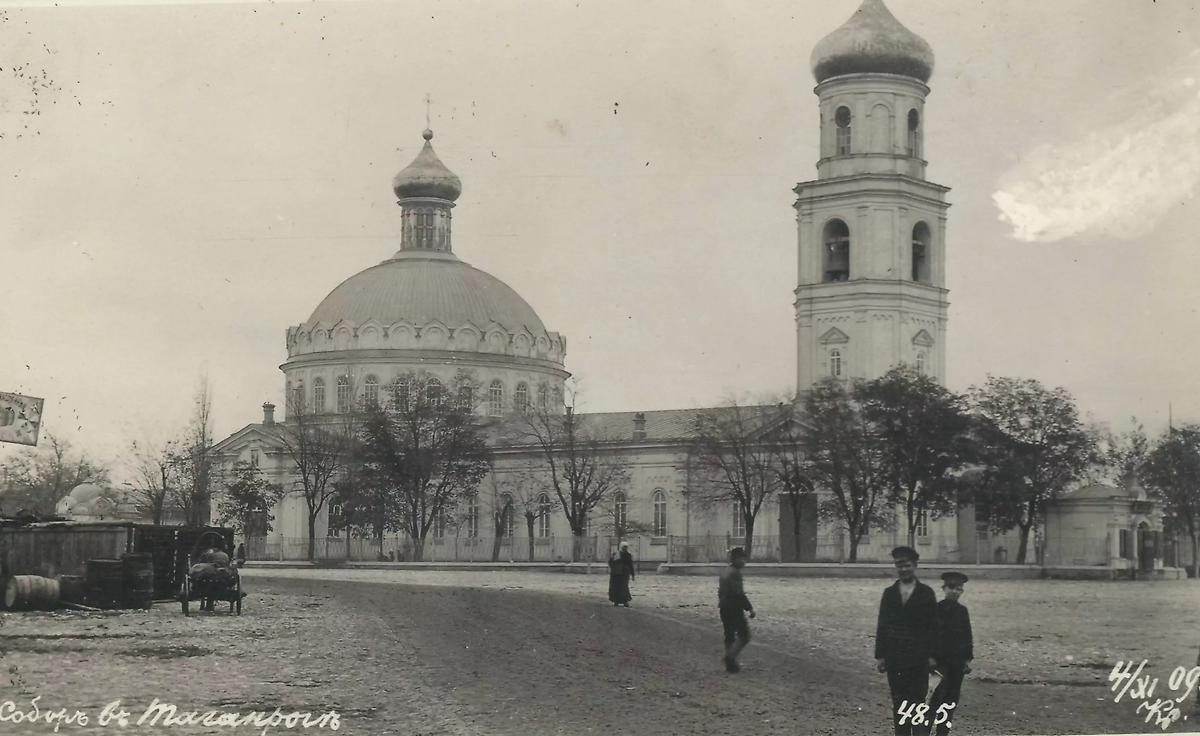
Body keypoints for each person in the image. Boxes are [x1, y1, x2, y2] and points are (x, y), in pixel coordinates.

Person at [875, 546, 938, 736]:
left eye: (907, 565)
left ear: (915, 566)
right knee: (900, 702)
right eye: (899, 565)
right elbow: (883, 625)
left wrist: (933, 655)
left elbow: (934, 627)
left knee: (918, 701)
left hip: (918, 659)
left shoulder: (926, 593)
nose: (903, 569)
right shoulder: (889, 593)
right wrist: (881, 655)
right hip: (895, 659)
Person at [930, 571, 973, 736]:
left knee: (951, 700)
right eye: (952, 587)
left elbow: (967, 636)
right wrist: (931, 657)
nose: (955, 591)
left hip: (957, 663)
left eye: (959, 588)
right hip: (939, 662)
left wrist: (967, 660)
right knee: (935, 698)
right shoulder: (936, 609)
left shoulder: (963, 611)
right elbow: (930, 635)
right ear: (944, 588)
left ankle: (943, 733)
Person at [718, 546, 755, 673]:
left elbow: (720, 592)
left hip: (723, 607)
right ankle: (730, 657)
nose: (744, 562)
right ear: (736, 559)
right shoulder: (735, 573)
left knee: (729, 635)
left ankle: (731, 665)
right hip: (734, 608)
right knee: (744, 635)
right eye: (742, 559)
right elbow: (739, 593)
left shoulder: (725, 571)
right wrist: (749, 608)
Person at [608, 541, 635, 607]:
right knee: (616, 587)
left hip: (625, 574)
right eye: (624, 547)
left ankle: (625, 601)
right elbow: (610, 562)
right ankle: (616, 601)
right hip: (616, 574)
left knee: (624, 587)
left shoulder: (628, 555)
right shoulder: (616, 554)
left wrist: (633, 574)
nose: (625, 548)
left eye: (626, 547)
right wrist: (614, 568)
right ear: (621, 547)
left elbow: (630, 565)